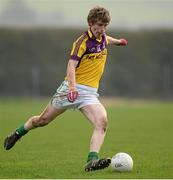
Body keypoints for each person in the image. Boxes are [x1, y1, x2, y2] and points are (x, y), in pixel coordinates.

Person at [4, 6, 128, 172]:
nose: (102, 29)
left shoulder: (103, 37)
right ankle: (18, 133)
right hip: (70, 89)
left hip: (89, 94)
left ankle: (92, 160)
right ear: (90, 23)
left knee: (102, 122)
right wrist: (71, 88)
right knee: (42, 121)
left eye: (105, 26)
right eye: (99, 25)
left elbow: (107, 40)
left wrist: (118, 41)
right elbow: (71, 64)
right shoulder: (82, 42)